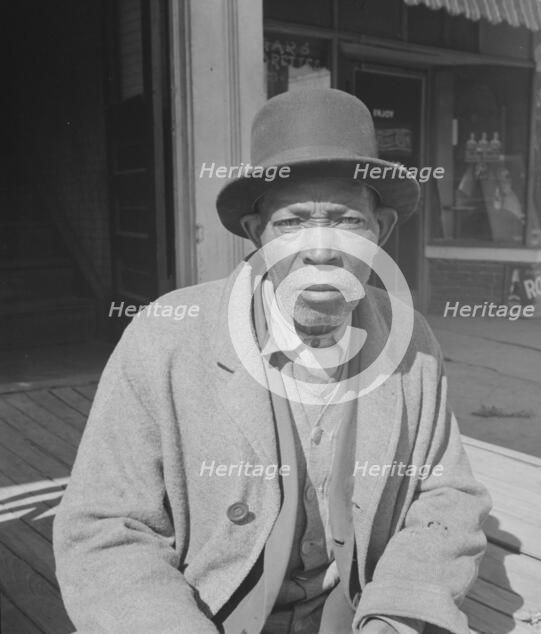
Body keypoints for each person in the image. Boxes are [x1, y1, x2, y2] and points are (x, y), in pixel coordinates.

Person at [53, 88, 491, 634]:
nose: (322, 249)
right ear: (255, 234)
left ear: (382, 232)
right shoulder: (166, 335)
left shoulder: (412, 339)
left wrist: (398, 611)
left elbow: (447, 496)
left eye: (348, 220)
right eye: (292, 223)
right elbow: (104, 526)